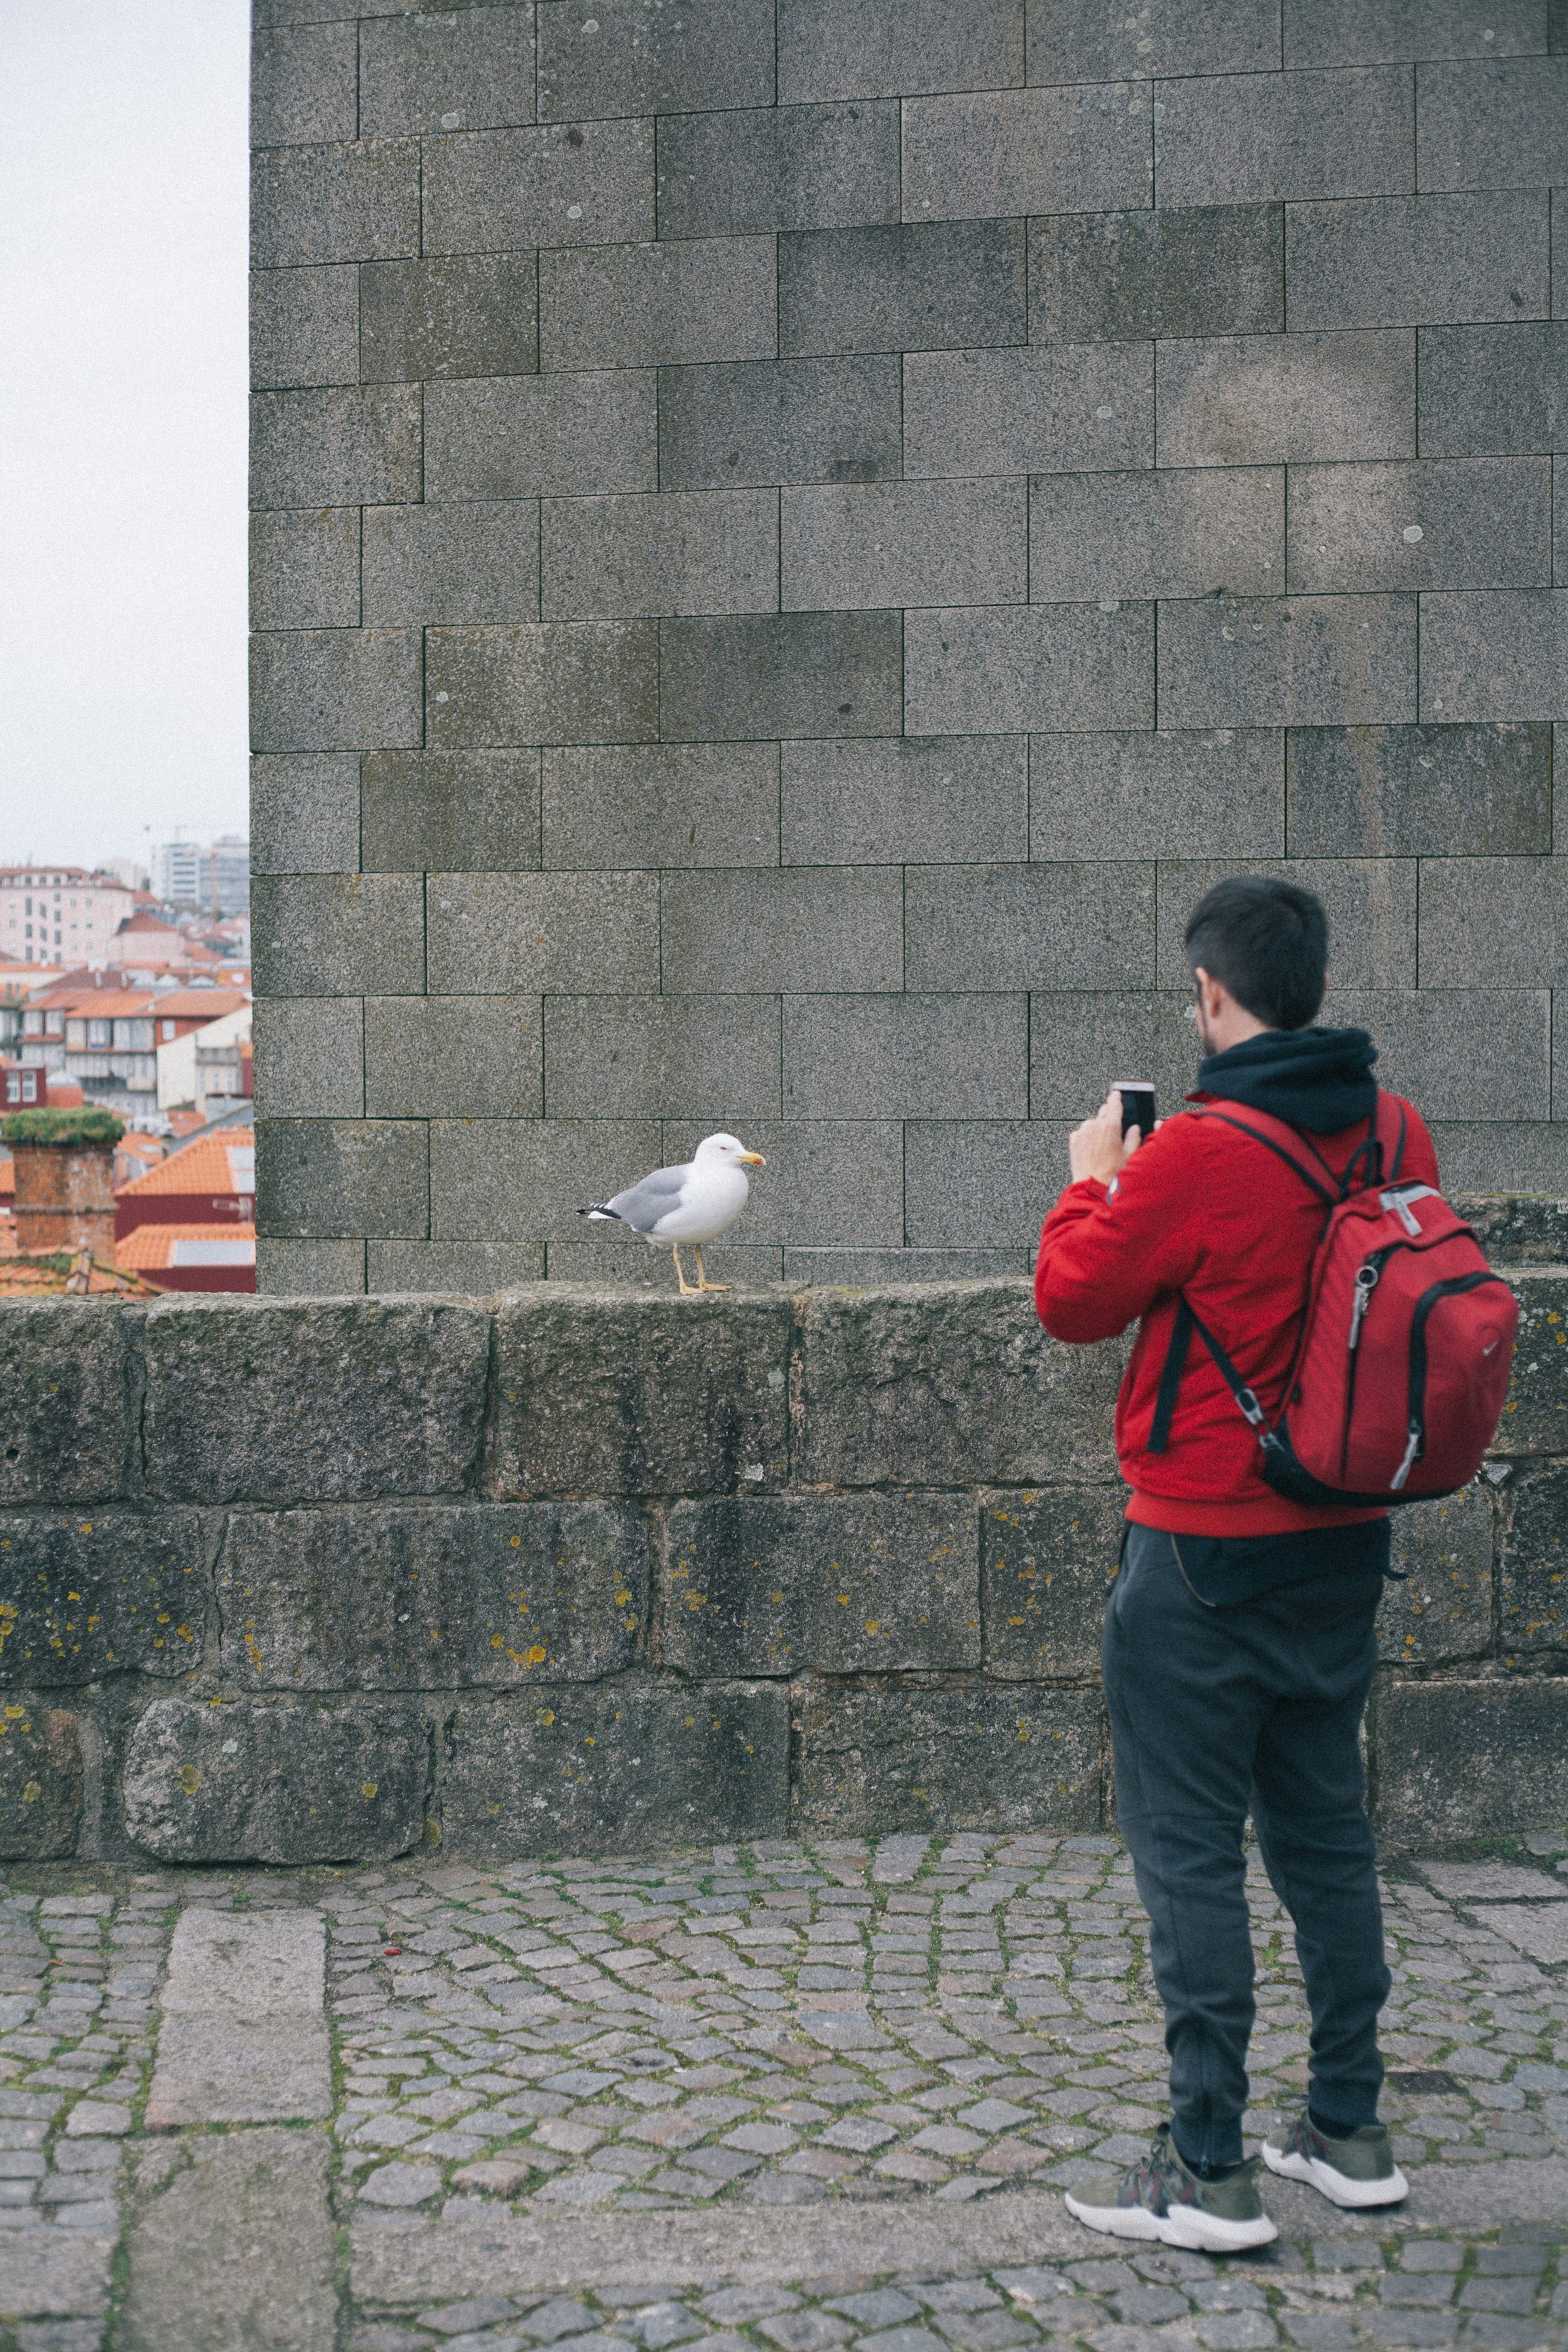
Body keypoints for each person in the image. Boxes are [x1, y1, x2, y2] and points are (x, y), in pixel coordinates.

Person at [1035, 875, 1435, 2253]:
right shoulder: (1394, 1127)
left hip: (1202, 1553)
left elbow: (1073, 1302)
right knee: (1328, 1837)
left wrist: (1095, 1182)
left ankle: (1207, 2171)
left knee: (1192, 1856)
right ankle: (1349, 2127)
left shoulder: (1200, 1152)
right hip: (1348, 1538)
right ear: (1311, 987)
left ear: (1211, 997)